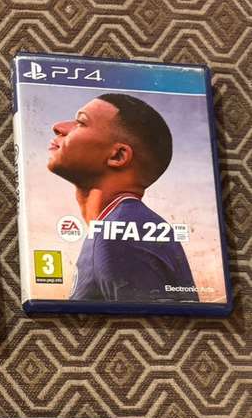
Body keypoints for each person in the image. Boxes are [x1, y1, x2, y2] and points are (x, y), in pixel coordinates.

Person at [47, 92, 199, 304]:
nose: (58, 127)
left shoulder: (119, 235)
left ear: (117, 156)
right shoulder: (126, 225)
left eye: (81, 122)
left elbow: (147, 323)